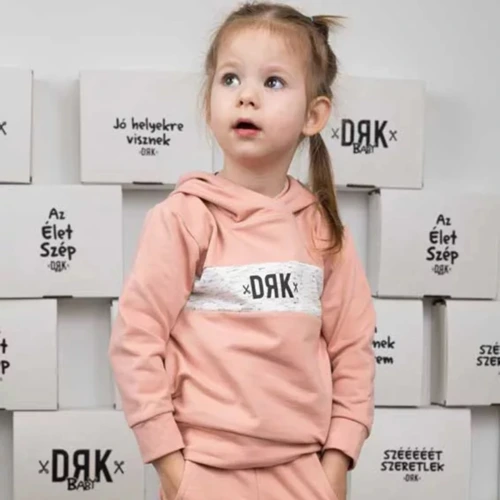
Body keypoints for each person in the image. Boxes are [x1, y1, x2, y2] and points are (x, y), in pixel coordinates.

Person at [108, 2, 376, 499]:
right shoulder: (184, 218)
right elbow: (136, 342)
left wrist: (338, 460)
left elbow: (353, 352)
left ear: (314, 115)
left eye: (273, 82)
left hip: (303, 473)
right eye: (230, 79)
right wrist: (172, 466)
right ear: (208, 101)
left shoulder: (324, 232)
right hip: (204, 471)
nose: (246, 96)